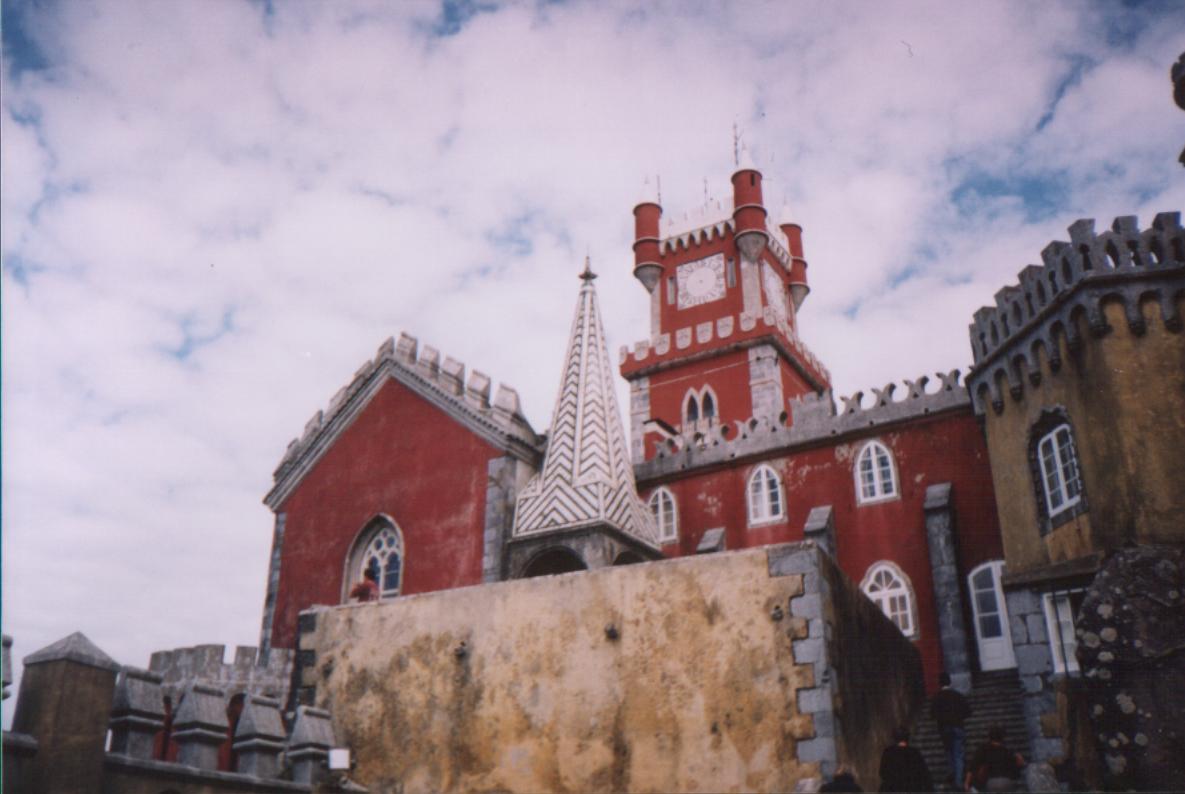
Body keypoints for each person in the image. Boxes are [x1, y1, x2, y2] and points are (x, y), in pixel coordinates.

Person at [931, 671, 971, 790]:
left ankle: (953, 774)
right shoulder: (957, 695)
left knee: (949, 753)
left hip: (944, 728)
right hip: (957, 726)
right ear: (950, 681)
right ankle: (958, 781)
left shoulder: (936, 698)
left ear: (939, 683)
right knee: (958, 753)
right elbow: (968, 711)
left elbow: (932, 714)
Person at [965, 724, 1024, 793]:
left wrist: (967, 783)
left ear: (989, 736)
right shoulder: (1007, 751)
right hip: (1006, 782)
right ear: (1002, 737)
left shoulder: (983, 749)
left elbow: (973, 766)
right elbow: (1016, 771)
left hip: (990, 782)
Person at [879, 726, 934, 792]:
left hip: (893, 789)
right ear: (908, 737)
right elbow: (923, 773)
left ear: (894, 738)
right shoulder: (914, 753)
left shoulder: (888, 752)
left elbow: (882, 772)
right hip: (911, 789)